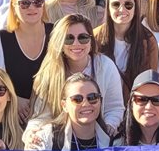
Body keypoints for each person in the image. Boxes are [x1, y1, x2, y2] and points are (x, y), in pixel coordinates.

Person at [25, 14, 124, 144]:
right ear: (59, 42)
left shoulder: (105, 66)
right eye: (69, 39)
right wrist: (31, 132)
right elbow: (41, 115)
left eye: (83, 38)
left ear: (91, 40)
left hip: (98, 140)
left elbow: (115, 107)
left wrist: (108, 126)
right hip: (60, 142)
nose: (76, 43)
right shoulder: (50, 72)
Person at [0, 0, 53, 122]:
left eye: (38, 2)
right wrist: (13, 98)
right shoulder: (2, 39)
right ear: (13, 7)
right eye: (24, 3)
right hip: (13, 117)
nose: (32, 7)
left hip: (52, 113)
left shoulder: (56, 32)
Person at [94, 0, 159, 96]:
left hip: (135, 104)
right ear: (108, 9)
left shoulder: (148, 40)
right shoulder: (95, 37)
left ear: (135, 8)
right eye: (116, 4)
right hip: (102, 102)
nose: (122, 9)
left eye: (128, 5)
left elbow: (149, 79)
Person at [25, 73, 114, 151]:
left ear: (100, 101)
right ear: (64, 105)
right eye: (77, 99)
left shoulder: (113, 141)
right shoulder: (46, 138)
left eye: (92, 97)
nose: (86, 104)